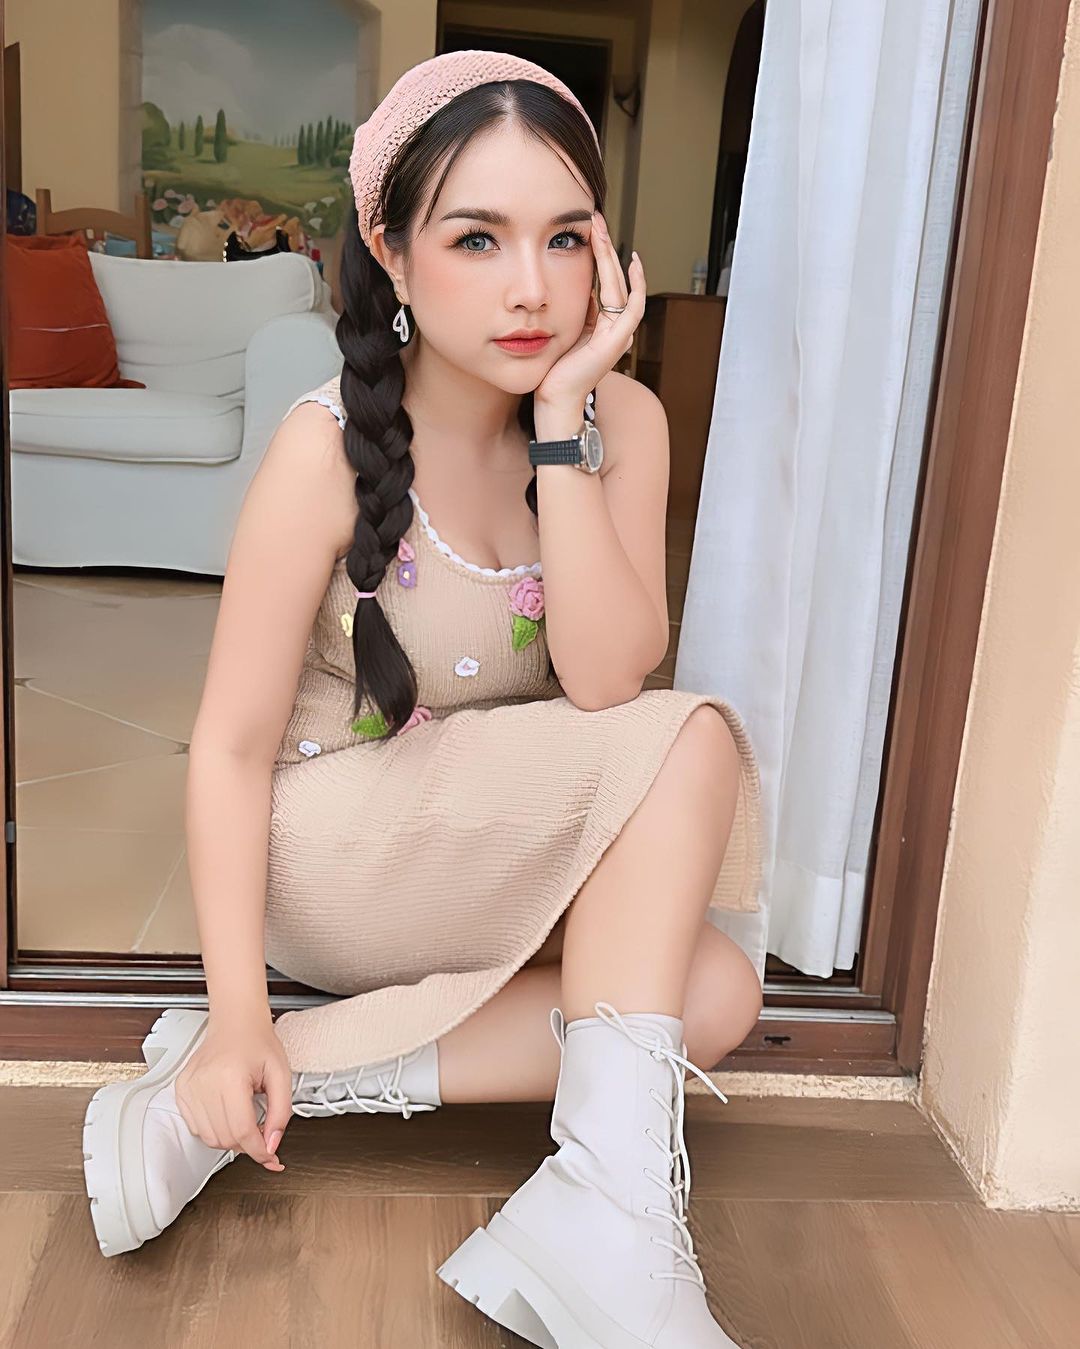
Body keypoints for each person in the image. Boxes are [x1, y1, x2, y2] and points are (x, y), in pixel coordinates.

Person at [81, 49, 763, 1346]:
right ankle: (610, 1220)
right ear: (393, 254)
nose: (531, 286)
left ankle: (248, 1093)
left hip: (482, 839)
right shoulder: (325, 445)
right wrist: (237, 1006)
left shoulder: (620, 421)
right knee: (690, 740)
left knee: (718, 993)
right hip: (330, 850)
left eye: (566, 237)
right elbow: (227, 748)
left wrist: (562, 424)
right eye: (477, 238)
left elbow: (606, 675)